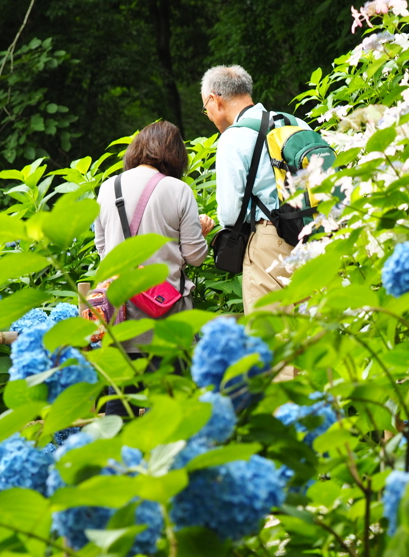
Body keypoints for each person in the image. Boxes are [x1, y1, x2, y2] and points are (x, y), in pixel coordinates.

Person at [94, 120, 213, 417]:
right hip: (166, 319)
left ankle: (119, 463)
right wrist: (202, 232)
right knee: (172, 411)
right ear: (175, 155)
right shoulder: (178, 189)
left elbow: (103, 249)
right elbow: (195, 256)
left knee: (119, 410)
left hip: (120, 316)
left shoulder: (108, 188)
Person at [201, 64, 308, 316]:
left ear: (214, 100)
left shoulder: (233, 137)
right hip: (314, 233)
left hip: (270, 241)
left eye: (205, 109)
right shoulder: (295, 122)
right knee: (315, 326)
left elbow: (229, 214)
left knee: (271, 331)